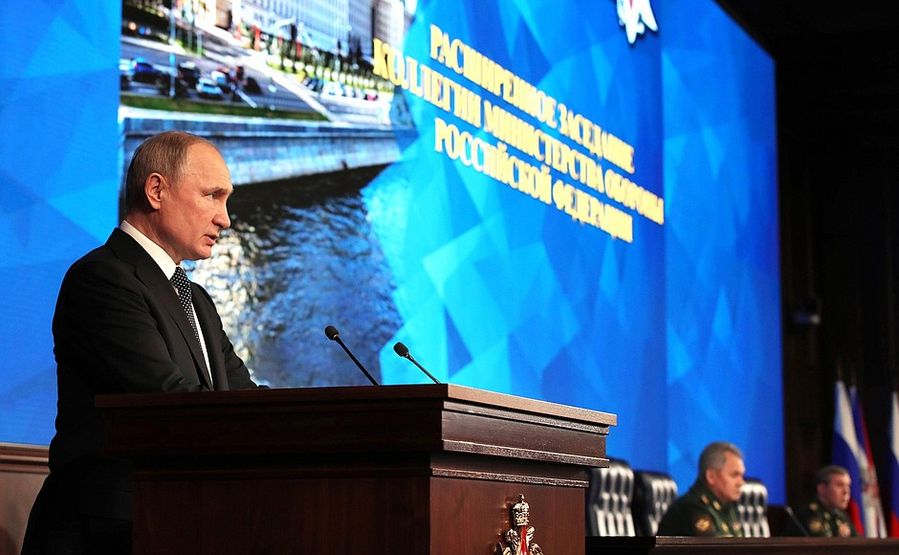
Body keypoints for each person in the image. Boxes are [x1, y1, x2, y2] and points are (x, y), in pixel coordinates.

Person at [22, 131, 264, 553]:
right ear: (156, 190)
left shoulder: (198, 300)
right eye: (212, 196)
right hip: (109, 533)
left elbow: (242, 398)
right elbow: (166, 402)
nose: (225, 218)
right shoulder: (103, 278)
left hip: (179, 522)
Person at [657, 441, 746, 536]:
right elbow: (714, 549)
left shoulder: (727, 506)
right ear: (711, 476)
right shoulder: (691, 507)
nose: (741, 482)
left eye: (742, 475)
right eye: (734, 475)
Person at [787, 465, 858, 537]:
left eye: (848, 486)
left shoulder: (842, 516)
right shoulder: (808, 514)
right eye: (839, 485)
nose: (846, 491)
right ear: (822, 489)